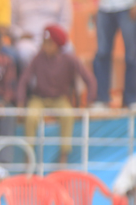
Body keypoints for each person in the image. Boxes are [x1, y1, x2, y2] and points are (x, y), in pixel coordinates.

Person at [17, 25, 97, 164]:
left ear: (58, 45)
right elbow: (24, 80)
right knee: (31, 116)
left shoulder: (70, 59)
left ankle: (63, 156)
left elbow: (90, 80)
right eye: (44, 42)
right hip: (39, 98)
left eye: (49, 43)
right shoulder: (38, 58)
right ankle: (28, 156)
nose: (45, 46)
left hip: (60, 99)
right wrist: (20, 103)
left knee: (67, 115)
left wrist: (89, 101)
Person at [10, 0, 74, 66]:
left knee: (69, 48)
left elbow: (66, 22)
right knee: (24, 52)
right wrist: (20, 34)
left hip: (53, 40)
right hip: (28, 40)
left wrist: (54, 40)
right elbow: (10, 23)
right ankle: (31, 77)